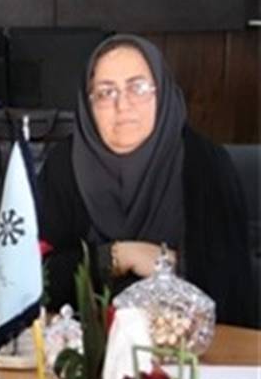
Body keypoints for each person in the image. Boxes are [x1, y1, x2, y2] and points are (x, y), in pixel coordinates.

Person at [39, 34, 256, 326]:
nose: (123, 105)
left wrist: (172, 264)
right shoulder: (64, 164)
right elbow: (36, 279)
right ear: (88, 104)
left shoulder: (206, 164)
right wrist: (117, 256)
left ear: (161, 92)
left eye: (138, 87)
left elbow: (231, 284)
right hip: (84, 343)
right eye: (106, 92)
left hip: (190, 344)